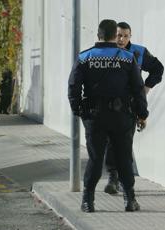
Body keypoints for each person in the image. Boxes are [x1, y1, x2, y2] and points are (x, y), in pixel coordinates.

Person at [68, 19, 148, 212]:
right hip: (122, 117)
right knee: (123, 158)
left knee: (95, 158)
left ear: (98, 35)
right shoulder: (128, 58)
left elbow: (73, 87)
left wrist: (78, 110)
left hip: (94, 116)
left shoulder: (85, 57)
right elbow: (138, 89)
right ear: (115, 36)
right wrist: (142, 114)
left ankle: (88, 201)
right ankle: (130, 200)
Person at [104, 22, 164, 194]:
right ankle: (112, 178)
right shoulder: (107, 52)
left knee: (125, 143)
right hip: (109, 105)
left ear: (130, 36)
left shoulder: (138, 52)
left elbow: (158, 69)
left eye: (125, 35)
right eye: (118, 35)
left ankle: (124, 180)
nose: (121, 39)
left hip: (130, 105)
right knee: (110, 142)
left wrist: (146, 87)